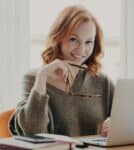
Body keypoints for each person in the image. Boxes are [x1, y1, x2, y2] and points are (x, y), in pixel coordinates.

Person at [9, 5, 114, 137]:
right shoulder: (34, 78)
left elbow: (129, 120)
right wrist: (42, 77)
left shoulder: (103, 82)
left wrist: (114, 124)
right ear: (59, 38)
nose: (81, 50)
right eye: (73, 39)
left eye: (88, 42)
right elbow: (32, 132)